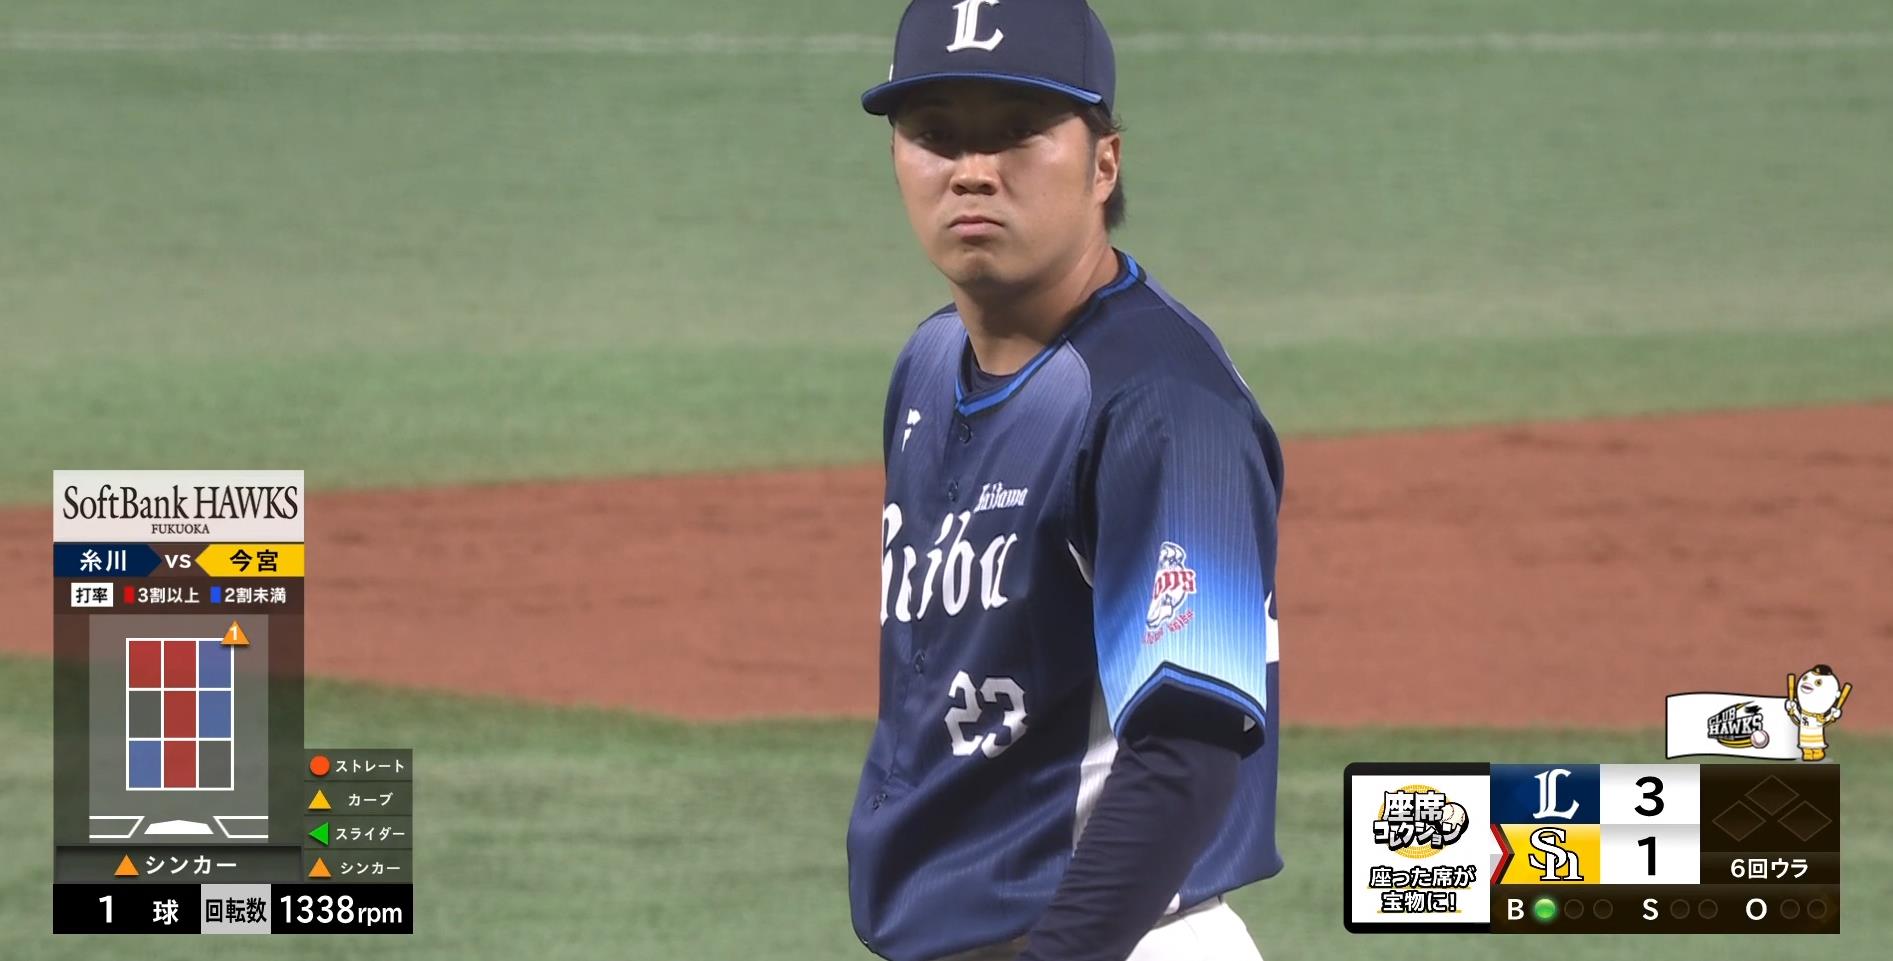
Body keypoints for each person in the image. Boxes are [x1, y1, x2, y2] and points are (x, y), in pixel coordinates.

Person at [846, 2, 1285, 960]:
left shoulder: (1163, 405)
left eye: (1017, 132)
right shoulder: (928, 362)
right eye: (935, 135)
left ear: (1103, 165)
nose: (972, 169)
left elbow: (1187, 748)